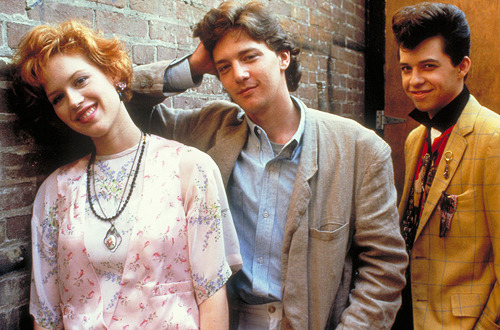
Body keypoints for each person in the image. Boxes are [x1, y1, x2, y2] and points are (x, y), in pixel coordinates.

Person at [130, 1, 408, 329]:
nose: (239, 74)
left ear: (282, 56)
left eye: (249, 56)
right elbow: (121, 107)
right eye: (224, 67)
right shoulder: (210, 129)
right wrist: (192, 66)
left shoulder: (360, 150)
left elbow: (384, 269)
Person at [13, 20, 242, 329]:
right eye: (58, 98)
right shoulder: (56, 191)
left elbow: (212, 298)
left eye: (80, 80)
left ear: (114, 74)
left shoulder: (189, 169)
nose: (74, 101)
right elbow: (46, 316)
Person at [392, 3, 500, 329]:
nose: (414, 80)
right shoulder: (414, 139)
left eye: (427, 66)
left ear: (462, 66)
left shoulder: (494, 139)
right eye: (406, 68)